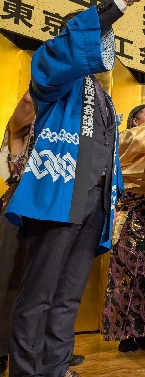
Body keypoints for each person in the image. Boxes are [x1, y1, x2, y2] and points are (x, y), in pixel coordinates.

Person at [5, 0, 145, 377]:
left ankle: (56, 367)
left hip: (94, 200)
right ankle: (25, 370)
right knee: (38, 293)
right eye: (99, 34)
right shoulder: (52, 72)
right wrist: (126, 0)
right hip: (59, 195)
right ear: (75, 39)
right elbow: (71, 45)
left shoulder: (103, 95)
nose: (105, 44)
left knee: (68, 294)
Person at [103, 104, 145, 352]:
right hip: (132, 217)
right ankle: (125, 335)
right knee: (129, 275)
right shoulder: (127, 138)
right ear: (135, 120)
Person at [0, 93, 35, 375]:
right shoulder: (22, 121)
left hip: (49, 203)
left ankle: (39, 347)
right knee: (11, 277)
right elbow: (27, 100)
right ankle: (2, 349)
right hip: (20, 199)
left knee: (42, 281)